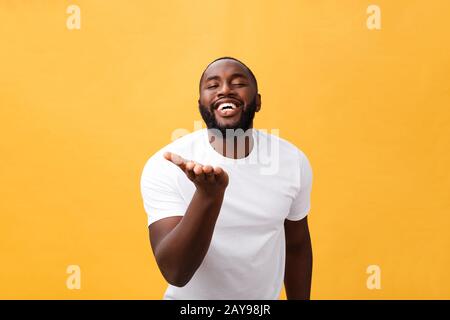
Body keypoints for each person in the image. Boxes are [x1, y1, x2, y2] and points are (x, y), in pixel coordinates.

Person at [140, 57, 313, 300]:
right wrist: (207, 197)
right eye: (213, 85)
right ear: (202, 104)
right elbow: (176, 272)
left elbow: (296, 246)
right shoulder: (165, 165)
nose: (225, 90)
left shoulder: (291, 161)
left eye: (238, 83)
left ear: (258, 101)